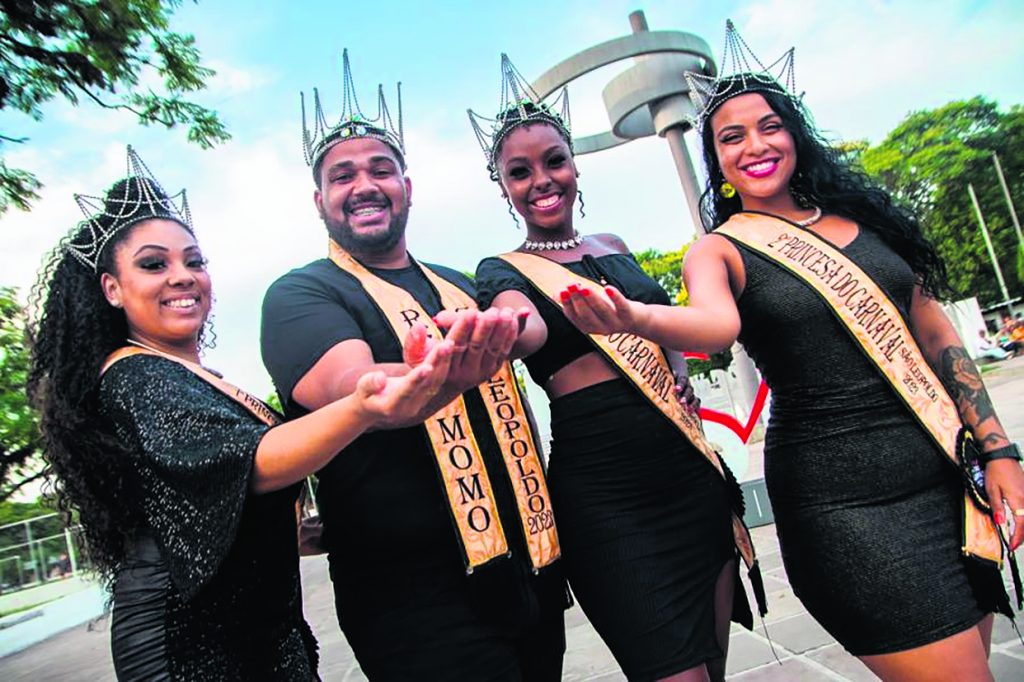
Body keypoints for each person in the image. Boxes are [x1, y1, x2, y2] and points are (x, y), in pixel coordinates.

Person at [559, 20, 1024, 681]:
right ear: (716, 160)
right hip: (845, 509)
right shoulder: (720, 249)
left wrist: (999, 452)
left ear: (795, 135)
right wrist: (634, 317)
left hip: (944, 486)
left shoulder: (867, 223)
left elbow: (937, 336)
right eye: (731, 136)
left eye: (769, 126)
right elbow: (714, 325)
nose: (755, 145)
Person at [27, 146, 453, 681]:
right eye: (154, 264)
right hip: (191, 643)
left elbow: (193, 497)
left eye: (194, 261)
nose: (182, 276)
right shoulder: (134, 375)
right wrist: (362, 405)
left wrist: (286, 532)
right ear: (112, 288)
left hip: (252, 630)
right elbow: (250, 461)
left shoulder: (191, 375)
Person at [260, 52, 568, 680]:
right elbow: (352, 385)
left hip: (529, 567)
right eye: (342, 176)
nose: (364, 185)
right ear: (319, 201)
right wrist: (439, 373)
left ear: (407, 186)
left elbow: (525, 343)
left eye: (381, 169)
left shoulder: (460, 285)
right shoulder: (302, 294)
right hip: (412, 601)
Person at [467, 55, 763, 682]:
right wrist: (503, 332)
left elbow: (660, 320)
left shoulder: (615, 247)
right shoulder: (504, 269)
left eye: (554, 161)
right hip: (606, 496)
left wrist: (678, 369)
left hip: (688, 475)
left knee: (712, 665)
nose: (541, 180)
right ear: (503, 187)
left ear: (574, 165)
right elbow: (525, 322)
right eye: (520, 172)